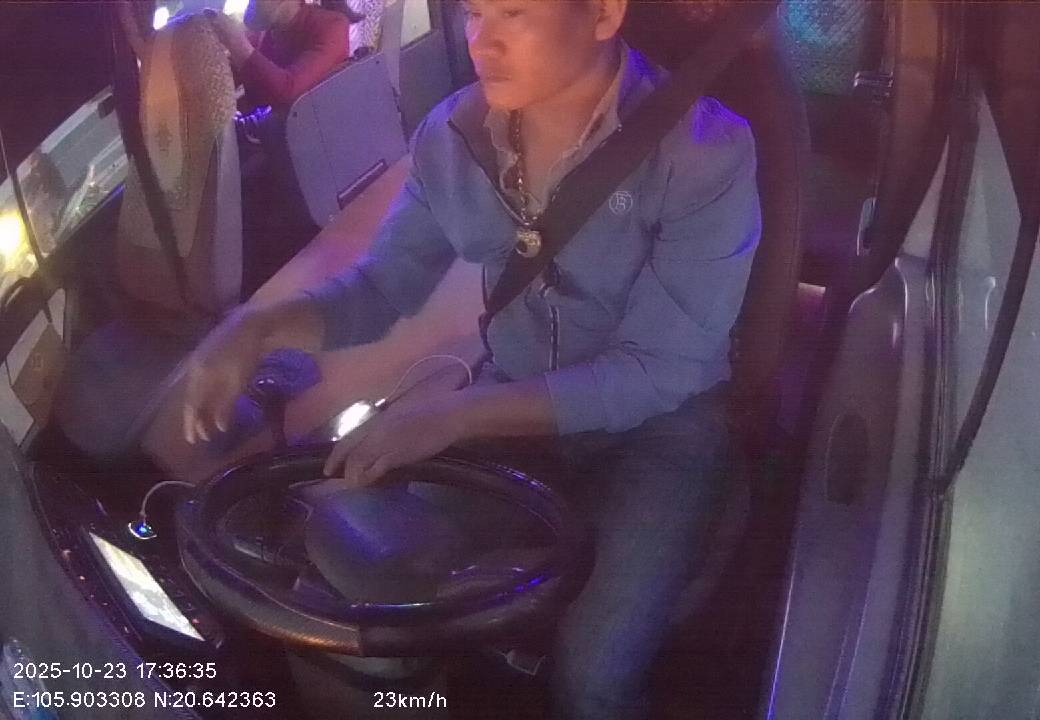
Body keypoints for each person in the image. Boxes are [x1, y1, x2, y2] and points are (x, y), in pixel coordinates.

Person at [182, 0, 761, 717]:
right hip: (511, 396)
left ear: (604, 14)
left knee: (592, 679)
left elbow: (658, 370)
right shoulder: (453, 138)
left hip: (661, 432)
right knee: (377, 589)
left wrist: (457, 415)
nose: (482, 39)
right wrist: (255, 329)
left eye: (512, 12)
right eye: (474, 12)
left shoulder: (703, 153)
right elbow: (380, 289)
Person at [205, 0, 363, 112]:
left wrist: (236, 42)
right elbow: (225, 80)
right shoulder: (265, 32)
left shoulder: (332, 25)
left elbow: (288, 93)